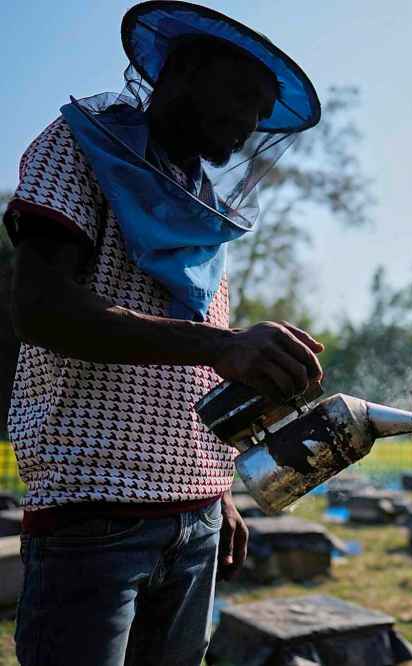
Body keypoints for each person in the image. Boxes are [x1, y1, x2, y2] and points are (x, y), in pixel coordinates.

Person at [4, 3, 325, 664]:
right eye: (239, 96)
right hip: (95, 507)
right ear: (180, 76)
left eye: (261, 111)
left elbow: (198, 367)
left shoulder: (202, 210)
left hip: (196, 517)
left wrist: (216, 484)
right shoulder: (80, 147)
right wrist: (225, 346)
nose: (250, 122)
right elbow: (42, 309)